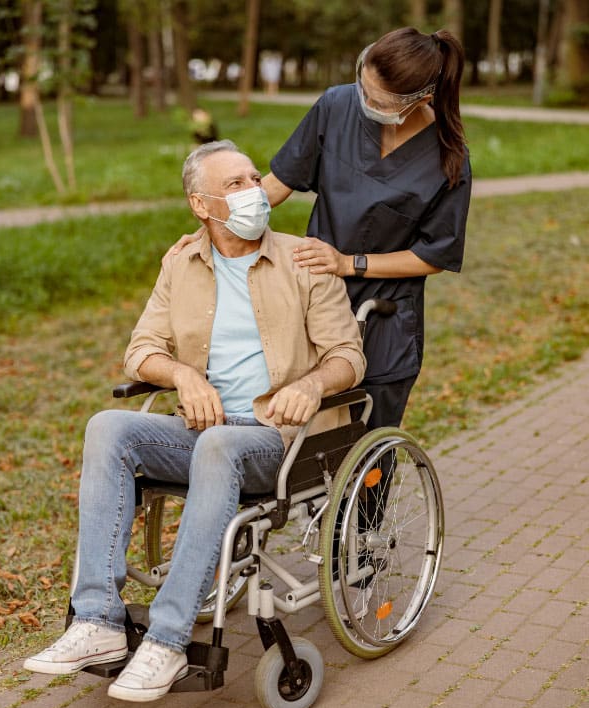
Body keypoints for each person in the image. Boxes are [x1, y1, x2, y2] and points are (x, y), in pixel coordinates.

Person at [23, 140, 366, 703]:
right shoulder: (181, 261)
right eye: (235, 184)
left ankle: (167, 638)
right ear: (201, 205)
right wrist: (185, 377)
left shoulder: (303, 260)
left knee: (219, 446)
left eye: (254, 178)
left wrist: (310, 385)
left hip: (277, 437)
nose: (255, 189)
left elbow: (349, 357)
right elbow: (141, 351)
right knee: (107, 427)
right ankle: (99, 625)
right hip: (201, 430)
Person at [169, 27, 471, 430]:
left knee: (367, 457)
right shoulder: (337, 105)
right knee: (303, 445)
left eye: (375, 99)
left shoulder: (447, 160)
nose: (363, 101)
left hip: (383, 320)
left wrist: (349, 263)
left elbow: (433, 254)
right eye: (362, 86)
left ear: (420, 100)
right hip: (310, 305)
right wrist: (215, 225)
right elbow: (279, 181)